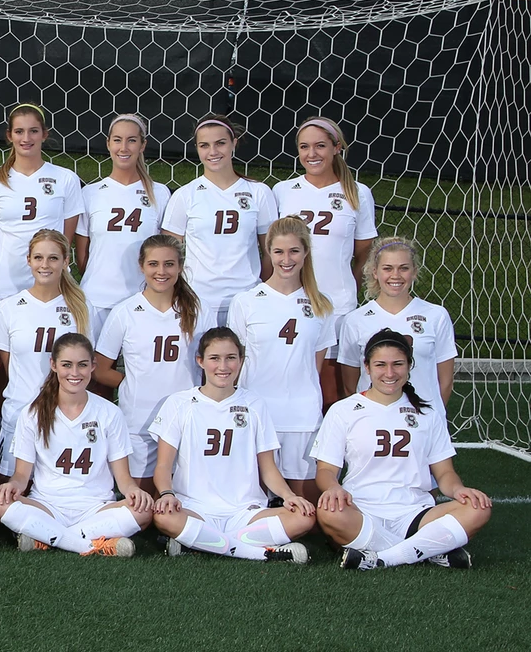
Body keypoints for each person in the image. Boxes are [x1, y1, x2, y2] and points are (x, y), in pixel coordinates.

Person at [315, 329, 492, 570]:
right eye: (380, 365)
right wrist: (334, 488)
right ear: (366, 367)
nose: (389, 373)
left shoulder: (427, 414)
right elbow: (325, 470)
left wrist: (459, 489)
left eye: (398, 364)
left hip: (415, 512)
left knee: (477, 508)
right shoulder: (343, 410)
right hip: (361, 509)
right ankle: (426, 550)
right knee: (328, 512)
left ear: (409, 366)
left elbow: (444, 473)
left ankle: (382, 558)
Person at [150, 328, 315, 563]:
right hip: (195, 508)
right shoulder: (178, 403)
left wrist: (288, 496)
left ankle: (203, 543)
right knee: (164, 516)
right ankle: (259, 552)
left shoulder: (254, 404)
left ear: (241, 360)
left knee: (303, 516)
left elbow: (268, 469)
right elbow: (164, 466)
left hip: (245, 511)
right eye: (214, 358)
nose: (223, 366)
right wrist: (167, 493)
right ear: (200, 361)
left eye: (230, 358)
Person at [0, 333, 154, 556]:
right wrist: (13, 487)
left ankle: (47, 538)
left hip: (96, 508)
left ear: (93, 366)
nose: (75, 373)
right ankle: (92, 543)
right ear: (54, 365)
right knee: (0, 504)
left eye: (82, 365)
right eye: (67, 365)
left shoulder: (110, 413)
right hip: (47, 506)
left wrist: (134, 491)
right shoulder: (32, 413)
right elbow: (21, 476)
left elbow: (123, 479)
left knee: (143, 511)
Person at [226, 217, 336, 502]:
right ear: (268, 252)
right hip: (258, 412)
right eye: (279, 252)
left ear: (306, 253)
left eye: (294, 251)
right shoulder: (246, 301)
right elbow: (232, 365)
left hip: (302, 415)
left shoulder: (321, 305)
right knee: (253, 501)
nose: (286, 260)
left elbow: (316, 365)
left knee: (305, 506)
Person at [94, 234, 215, 490]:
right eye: (153, 264)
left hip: (186, 418)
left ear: (180, 266)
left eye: (169, 264)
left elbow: (212, 367)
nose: (161, 271)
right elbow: (100, 369)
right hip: (139, 420)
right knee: (142, 497)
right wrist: (135, 381)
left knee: (187, 493)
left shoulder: (199, 311)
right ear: (141, 266)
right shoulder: (124, 312)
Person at [273, 117, 377, 406]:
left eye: (320, 146)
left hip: (338, 305)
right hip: (291, 301)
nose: (312, 154)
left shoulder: (358, 193)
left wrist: (347, 288)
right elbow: (272, 249)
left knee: (334, 394)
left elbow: (364, 253)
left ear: (337, 148)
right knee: (290, 385)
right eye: (304, 147)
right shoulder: (282, 191)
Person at [161, 115, 276, 326]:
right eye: (205, 145)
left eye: (220, 143)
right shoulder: (185, 195)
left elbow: (271, 251)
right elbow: (168, 253)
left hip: (247, 298)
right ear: (197, 148)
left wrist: (260, 291)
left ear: (234, 143)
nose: (213, 152)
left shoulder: (259, 192)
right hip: (198, 300)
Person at [0, 230, 89, 477]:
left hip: (65, 414)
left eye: (53, 258)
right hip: (20, 411)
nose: (45, 265)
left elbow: (83, 366)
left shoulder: (81, 308)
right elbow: (9, 365)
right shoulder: (8, 308)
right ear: (29, 260)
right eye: (38, 258)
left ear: (66, 261)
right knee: (11, 489)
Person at [75, 114, 171, 344]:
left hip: (141, 299)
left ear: (142, 145)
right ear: (108, 144)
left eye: (131, 140)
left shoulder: (159, 193)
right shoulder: (90, 193)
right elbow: (81, 256)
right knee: (90, 369)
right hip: (96, 298)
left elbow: (166, 252)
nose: (123, 147)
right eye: (117, 140)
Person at [337, 237, 456, 415]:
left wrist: (430, 418)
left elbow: (445, 381)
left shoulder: (436, 316)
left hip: (422, 421)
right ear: (375, 272)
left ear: (414, 272)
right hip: (372, 421)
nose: (396, 276)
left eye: (404, 268)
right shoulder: (355, 320)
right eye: (387, 268)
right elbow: (350, 385)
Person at [0, 104, 83, 300]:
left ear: (44, 134)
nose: (26, 138)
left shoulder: (66, 179)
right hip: (5, 285)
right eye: (19, 131)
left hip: (51, 283)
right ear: (10, 135)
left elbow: (65, 240)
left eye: (33, 131)